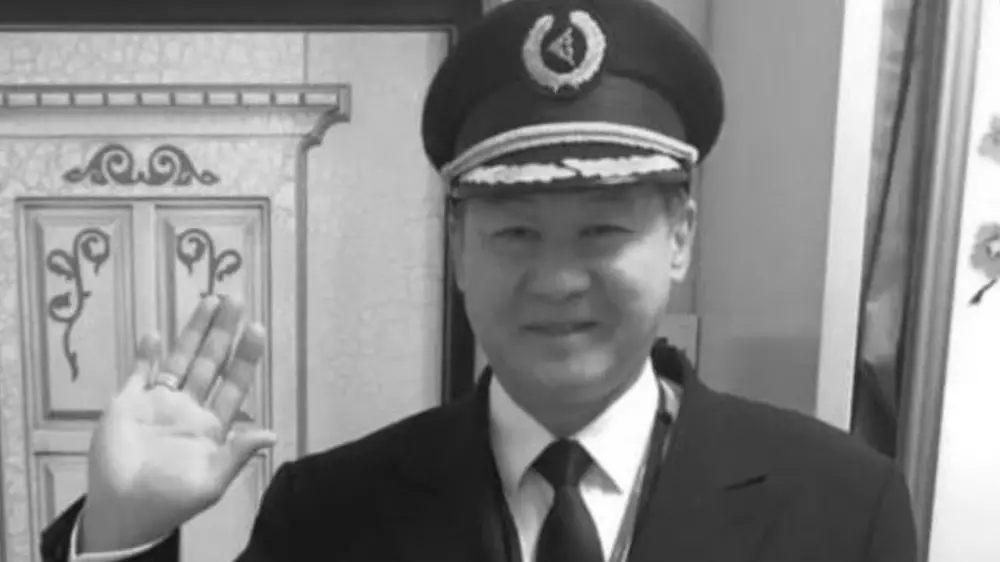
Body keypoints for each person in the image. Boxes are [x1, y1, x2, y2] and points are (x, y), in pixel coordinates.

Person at [41, 0, 918, 560]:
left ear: (680, 236)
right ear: (459, 245)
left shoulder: (842, 506)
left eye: (604, 231)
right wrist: (121, 536)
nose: (558, 279)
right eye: (515, 233)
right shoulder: (325, 513)